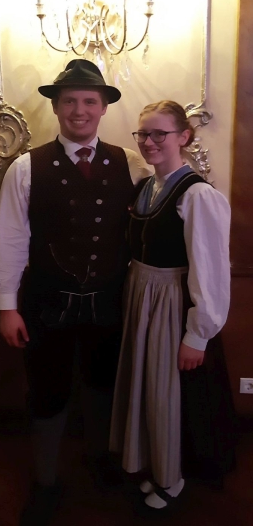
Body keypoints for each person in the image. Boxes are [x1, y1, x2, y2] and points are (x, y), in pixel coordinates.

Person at [0, 59, 150, 526]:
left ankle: (101, 460)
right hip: (45, 304)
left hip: (111, 301)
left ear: (102, 108)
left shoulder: (133, 163)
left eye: (89, 101)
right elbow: (12, 239)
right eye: (70, 102)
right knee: (47, 391)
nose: (79, 110)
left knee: (104, 385)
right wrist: (6, 307)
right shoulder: (26, 167)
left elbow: (155, 224)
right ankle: (45, 482)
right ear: (57, 107)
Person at [109, 100, 236, 511]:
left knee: (168, 392)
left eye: (159, 133)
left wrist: (197, 335)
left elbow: (211, 269)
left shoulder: (198, 195)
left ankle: (173, 477)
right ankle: (151, 462)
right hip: (140, 297)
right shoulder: (146, 186)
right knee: (146, 387)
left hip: (170, 303)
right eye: (143, 133)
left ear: (183, 137)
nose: (149, 142)